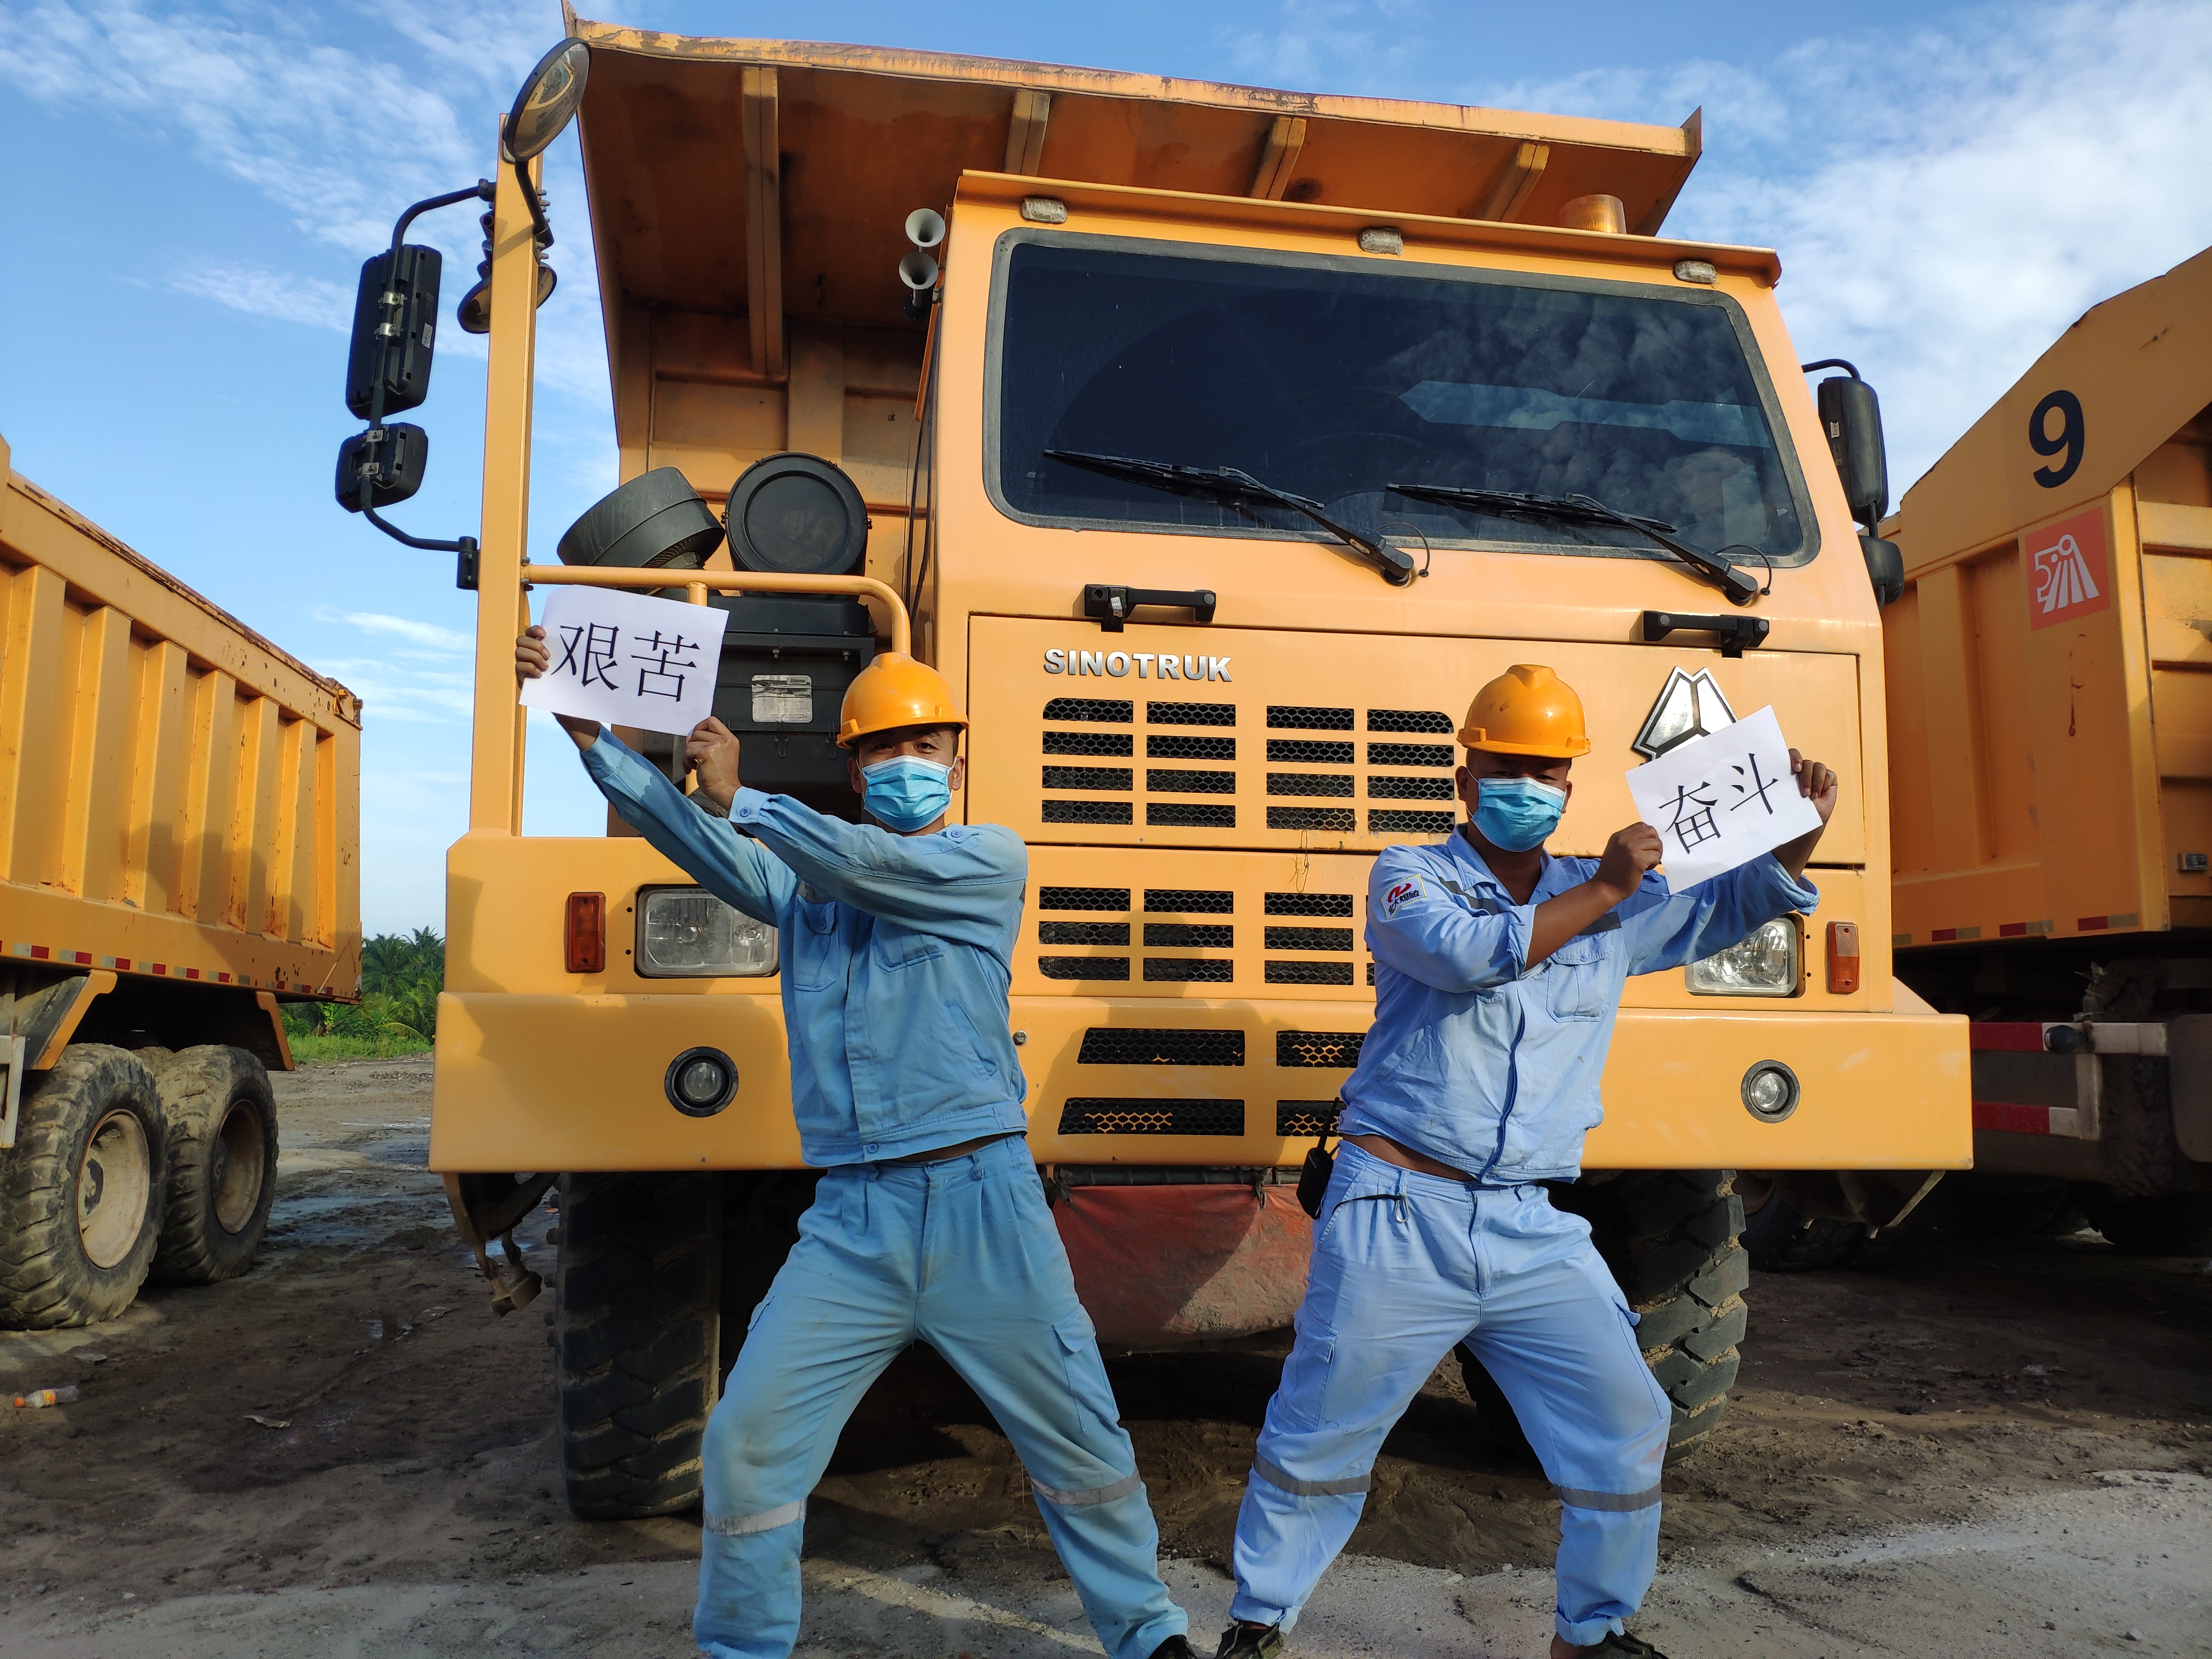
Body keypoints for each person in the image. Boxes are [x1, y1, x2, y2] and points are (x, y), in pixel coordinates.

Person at [516, 628, 1193, 1659]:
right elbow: (705, 847)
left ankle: (1149, 1636)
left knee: (1079, 1441)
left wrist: (743, 796)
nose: (910, 765)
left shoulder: (983, 862)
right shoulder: (807, 895)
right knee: (747, 1449)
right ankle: (744, 1645)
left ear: (957, 764)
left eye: (929, 747)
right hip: (852, 1224)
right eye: (886, 749)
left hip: (985, 1207)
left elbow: (857, 860)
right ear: (855, 765)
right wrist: (591, 738)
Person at [1216, 664, 1837, 1659]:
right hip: (1399, 1210)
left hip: (1531, 1225)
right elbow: (1470, 956)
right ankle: (1258, 1622)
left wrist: (1800, 825)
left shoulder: (1604, 898)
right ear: (1466, 779)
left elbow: (1731, 908)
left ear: (1569, 786)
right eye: (1508, 768)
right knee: (1324, 1434)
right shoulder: (1409, 874)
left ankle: (1591, 1634)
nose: (1528, 787)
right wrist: (1604, 887)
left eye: (1549, 772)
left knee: (1627, 1422)